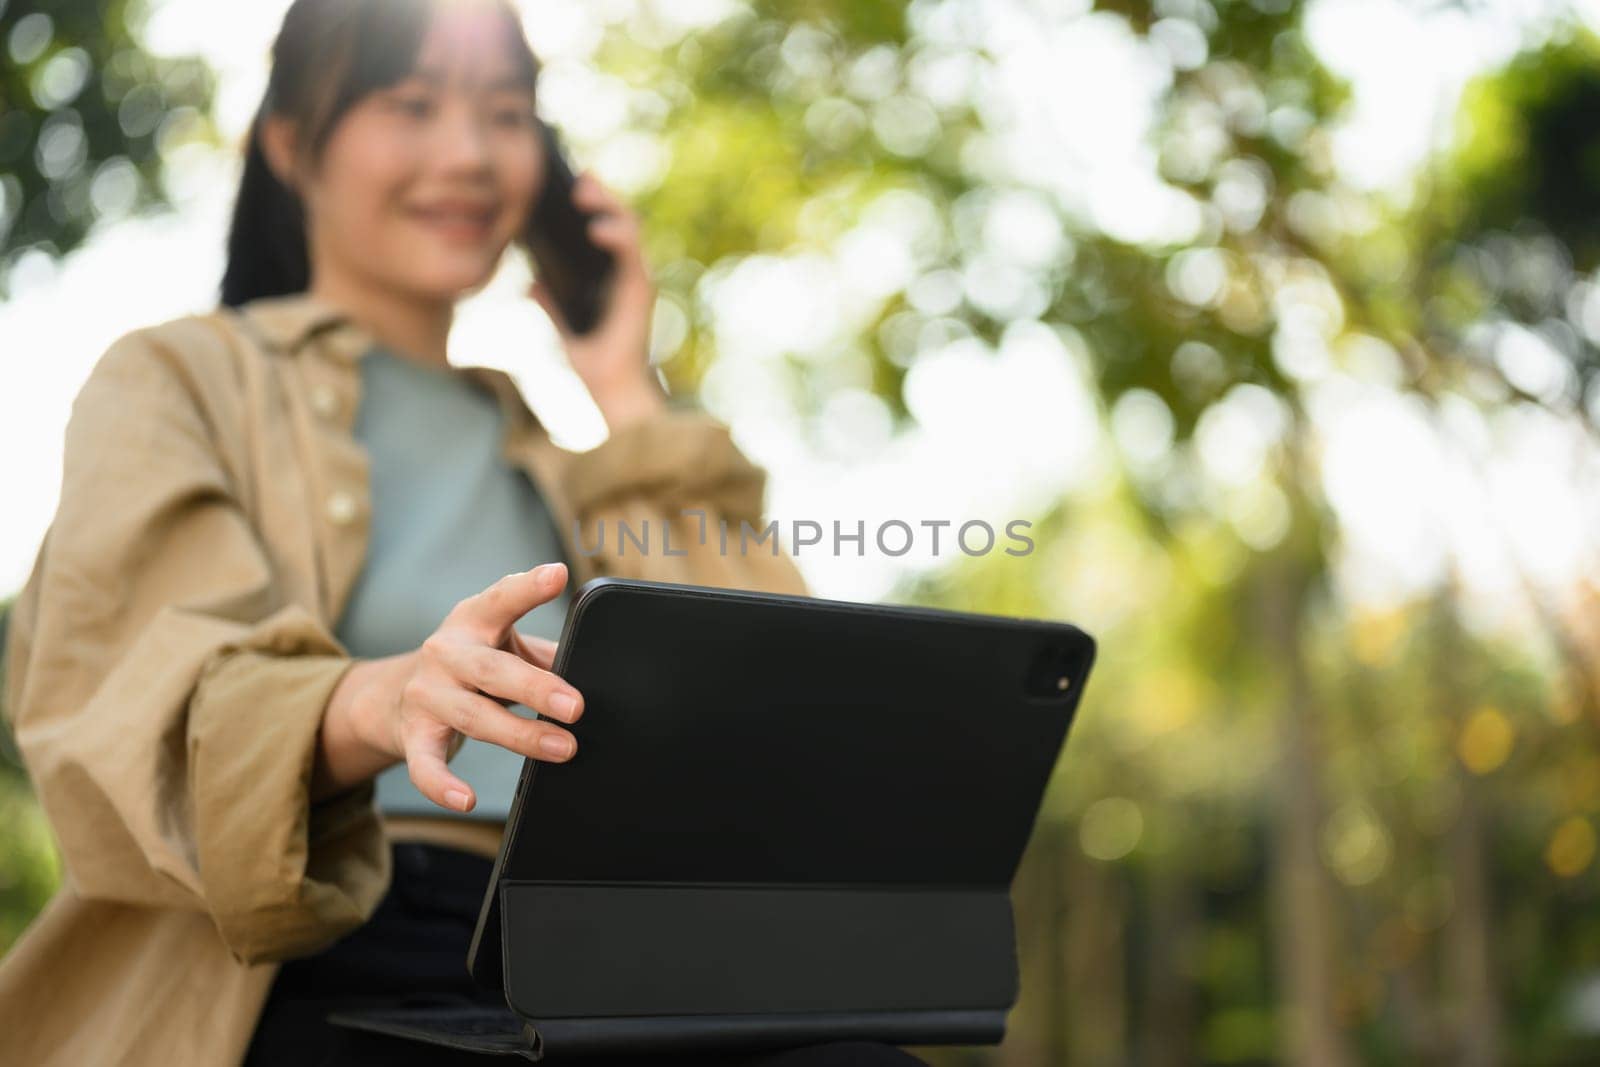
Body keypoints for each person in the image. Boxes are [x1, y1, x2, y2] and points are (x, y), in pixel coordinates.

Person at [0, 1, 927, 1064]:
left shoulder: (564, 459)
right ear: (294, 143)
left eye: (505, 112)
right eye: (412, 103)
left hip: (608, 960)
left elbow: (778, 707)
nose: (468, 154)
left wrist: (623, 383)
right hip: (322, 955)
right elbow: (121, 692)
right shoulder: (179, 379)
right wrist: (376, 699)